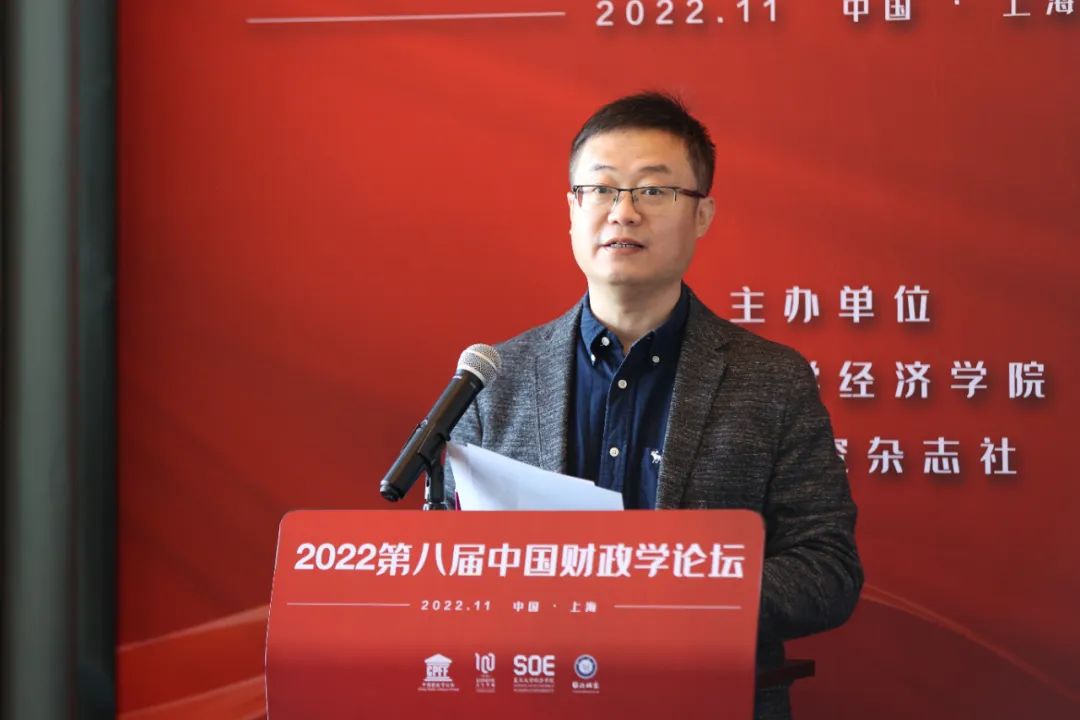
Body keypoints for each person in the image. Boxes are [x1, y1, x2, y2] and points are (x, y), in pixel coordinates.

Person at [446, 92, 862, 720]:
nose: (624, 212)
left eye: (654, 190)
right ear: (572, 210)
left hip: (710, 702)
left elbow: (827, 569)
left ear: (702, 214)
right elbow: (449, 565)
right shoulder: (495, 378)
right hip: (532, 700)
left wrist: (680, 595)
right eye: (601, 189)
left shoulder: (772, 380)